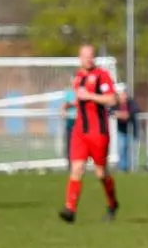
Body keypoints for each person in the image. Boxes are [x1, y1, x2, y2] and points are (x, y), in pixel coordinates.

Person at [58, 44, 120, 223]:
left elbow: (112, 99)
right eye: (85, 56)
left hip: (98, 132)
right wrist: (70, 105)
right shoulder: (78, 77)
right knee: (76, 168)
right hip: (80, 131)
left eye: (91, 55)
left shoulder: (102, 75)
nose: (89, 59)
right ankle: (70, 209)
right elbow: (82, 100)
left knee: (101, 172)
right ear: (80, 58)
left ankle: (112, 203)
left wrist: (90, 96)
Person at [114, 83, 141, 173]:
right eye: (121, 94)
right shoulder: (115, 103)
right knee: (122, 148)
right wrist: (120, 114)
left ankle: (132, 168)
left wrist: (122, 115)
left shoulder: (131, 103)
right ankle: (123, 168)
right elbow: (111, 112)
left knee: (132, 150)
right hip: (121, 130)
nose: (123, 96)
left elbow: (133, 111)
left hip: (132, 131)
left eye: (124, 94)